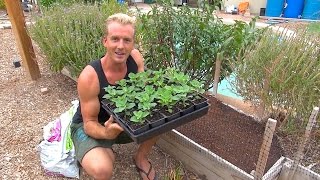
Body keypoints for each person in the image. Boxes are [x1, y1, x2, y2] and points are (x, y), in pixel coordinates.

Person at [70, 13, 158, 180]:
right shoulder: (90, 76)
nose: (121, 46)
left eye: (127, 40)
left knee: (161, 119)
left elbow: (143, 91)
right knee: (103, 169)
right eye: (115, 39)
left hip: (122, 119)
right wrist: (106, 133)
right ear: (105, 41)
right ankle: (96, 149)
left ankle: (140, 158)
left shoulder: (135, 58)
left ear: (133, 44)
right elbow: (89, 123)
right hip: (89, 125)